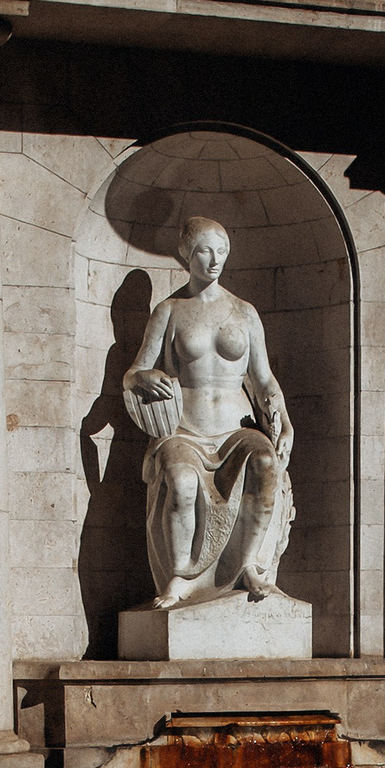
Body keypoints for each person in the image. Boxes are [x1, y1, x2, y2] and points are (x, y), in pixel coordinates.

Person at [122, 215, 293, 608]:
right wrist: (142, 379)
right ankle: (180, 579)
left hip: (236, 428)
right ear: (186, 254)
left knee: (265, 462)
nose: (214, 260)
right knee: (180, 480)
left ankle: (250, 564)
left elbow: (264, 380)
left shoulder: (244, 312)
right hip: (185, 428)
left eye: (222, 251)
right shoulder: (169, 310)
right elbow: (133, 372)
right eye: (204, 251)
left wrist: (284, 422)